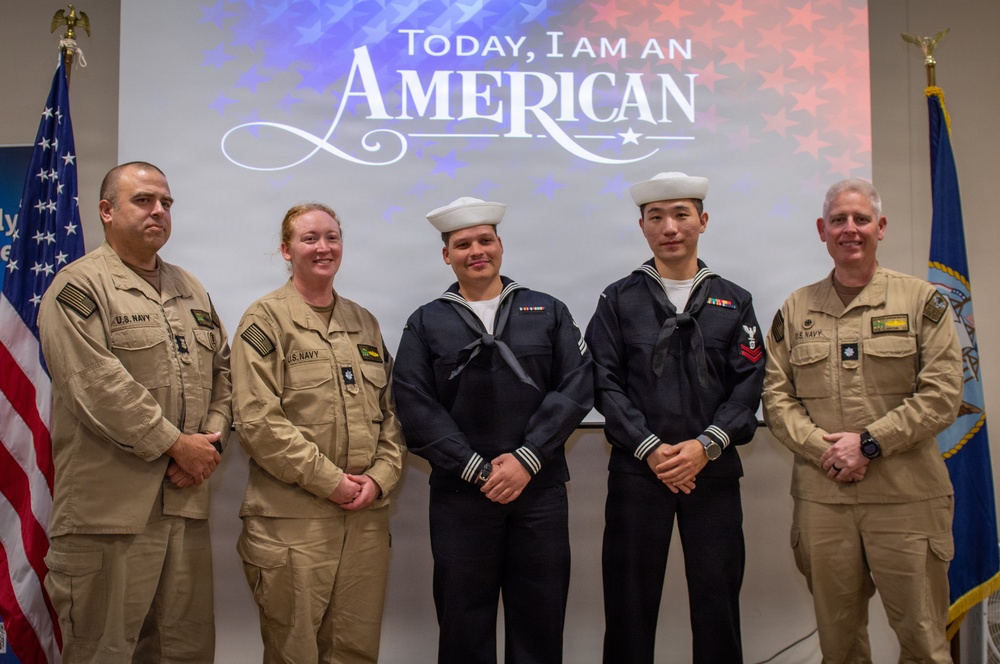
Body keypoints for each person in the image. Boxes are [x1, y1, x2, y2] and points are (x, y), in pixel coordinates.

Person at [763, 178, 963, 663]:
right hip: (824, 501)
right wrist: (824, 449)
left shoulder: (922, 302)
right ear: (821, 230)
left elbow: (943, 395)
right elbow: (776, 397)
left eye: (860, 219)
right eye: (838, 220)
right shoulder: (796, 308)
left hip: (907, 501)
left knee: (923, 641)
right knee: (839, 644)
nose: (849, 229)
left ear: (881, 227)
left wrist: (868, 444)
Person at [37, 161, 231, 663]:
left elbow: (224, 375)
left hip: (182, 510)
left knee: (182, 652)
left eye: (166, 203)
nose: (159, 211)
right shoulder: (77, 288)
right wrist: (177, 445)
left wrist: (209, 443)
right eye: (144, 200)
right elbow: (97, 386)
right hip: (108, 518)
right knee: (104, 652)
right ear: (106, 211)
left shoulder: (191, 289)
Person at [393, 197, 593, 664]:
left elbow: (577, 386)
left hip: (538, 491)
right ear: (447, 255)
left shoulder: (547, 311)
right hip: (462, 496)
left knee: (540, 622)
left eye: (485, 240)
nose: (476, 251)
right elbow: (413, 402)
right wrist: (472, 467)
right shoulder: (426, 322)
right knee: (464, 623)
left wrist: (527, 457)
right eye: (463, 244)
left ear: (501, 245)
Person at [585, 172, 765, 663]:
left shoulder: (735, 299)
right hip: (640, 473)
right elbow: (603, 381)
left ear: (702, 222)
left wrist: (705, 447)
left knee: (718, 606)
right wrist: (650, 447)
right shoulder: (618, 299)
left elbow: (748, 386)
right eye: (657, 217)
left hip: (713, 473)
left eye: (682, 214)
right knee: (628, 607)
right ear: (642, 225)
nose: (670, 227)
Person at [231, 203, 405, 664]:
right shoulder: (264, 319)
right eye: (309, 239)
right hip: (294, 524)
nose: (323, 247)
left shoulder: (363, 321)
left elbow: (391, 415)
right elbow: (257, 421)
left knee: (356, 651)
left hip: (365, 521)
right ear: (286, 250)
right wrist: (333, 482)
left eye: (332, 237)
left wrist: (381, 478)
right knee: (296, 654)